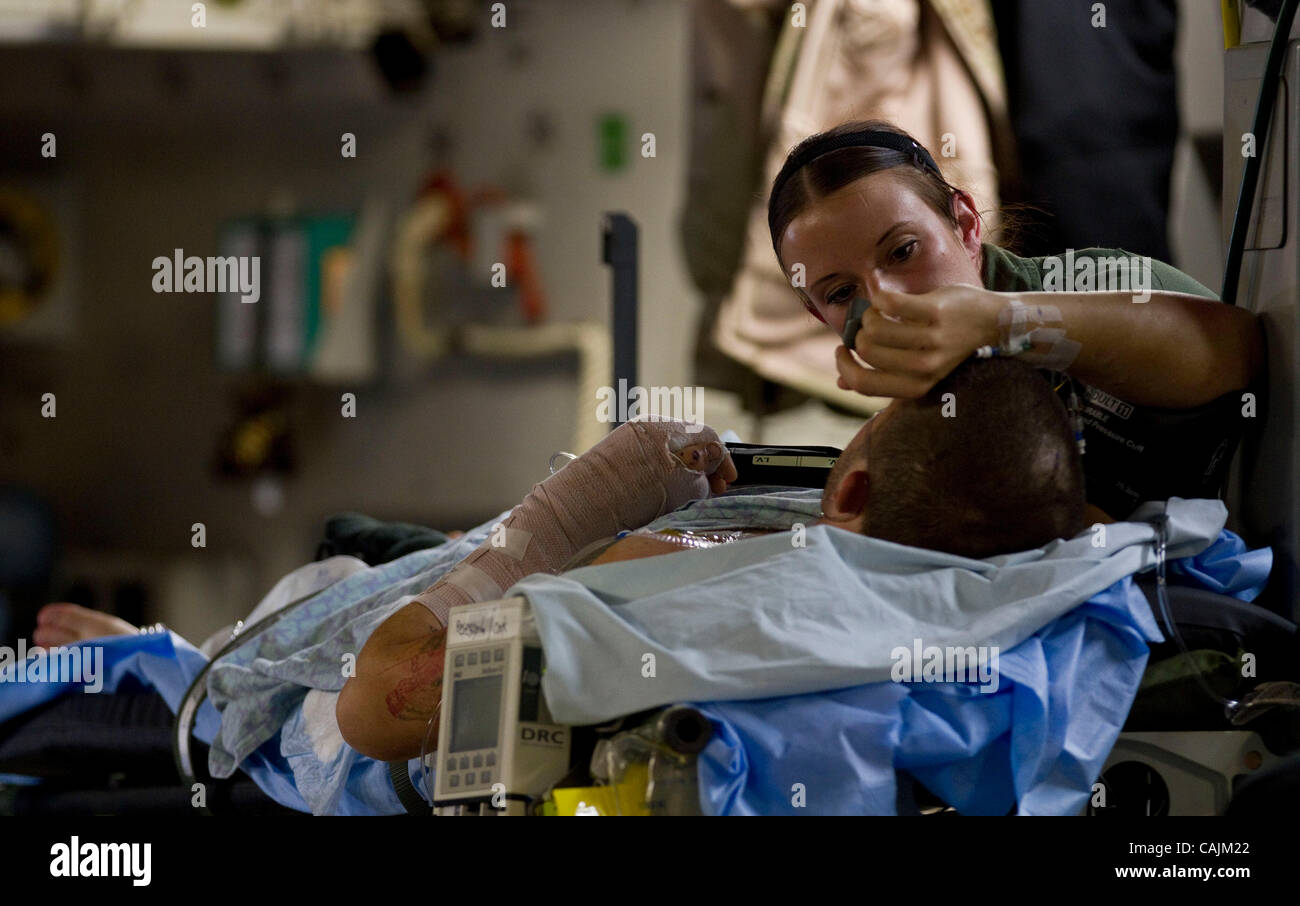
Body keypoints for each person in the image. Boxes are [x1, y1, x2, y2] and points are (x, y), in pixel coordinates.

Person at [336, 356, 1088, 762]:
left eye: (871, 427)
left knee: (351, 554)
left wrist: (567, 512)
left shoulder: (663, 572)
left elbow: (369, 711)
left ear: (854, 486)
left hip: (382, 620)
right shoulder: (991, 593)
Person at [767, 119, 1264, 524]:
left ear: (965, 225)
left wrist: (1001, 323)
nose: (885, 302)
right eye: (841, 293)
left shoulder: (1099, 284)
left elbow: (1235, 346)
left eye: (903, 251)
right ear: (817, 315)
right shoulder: (913, 410)